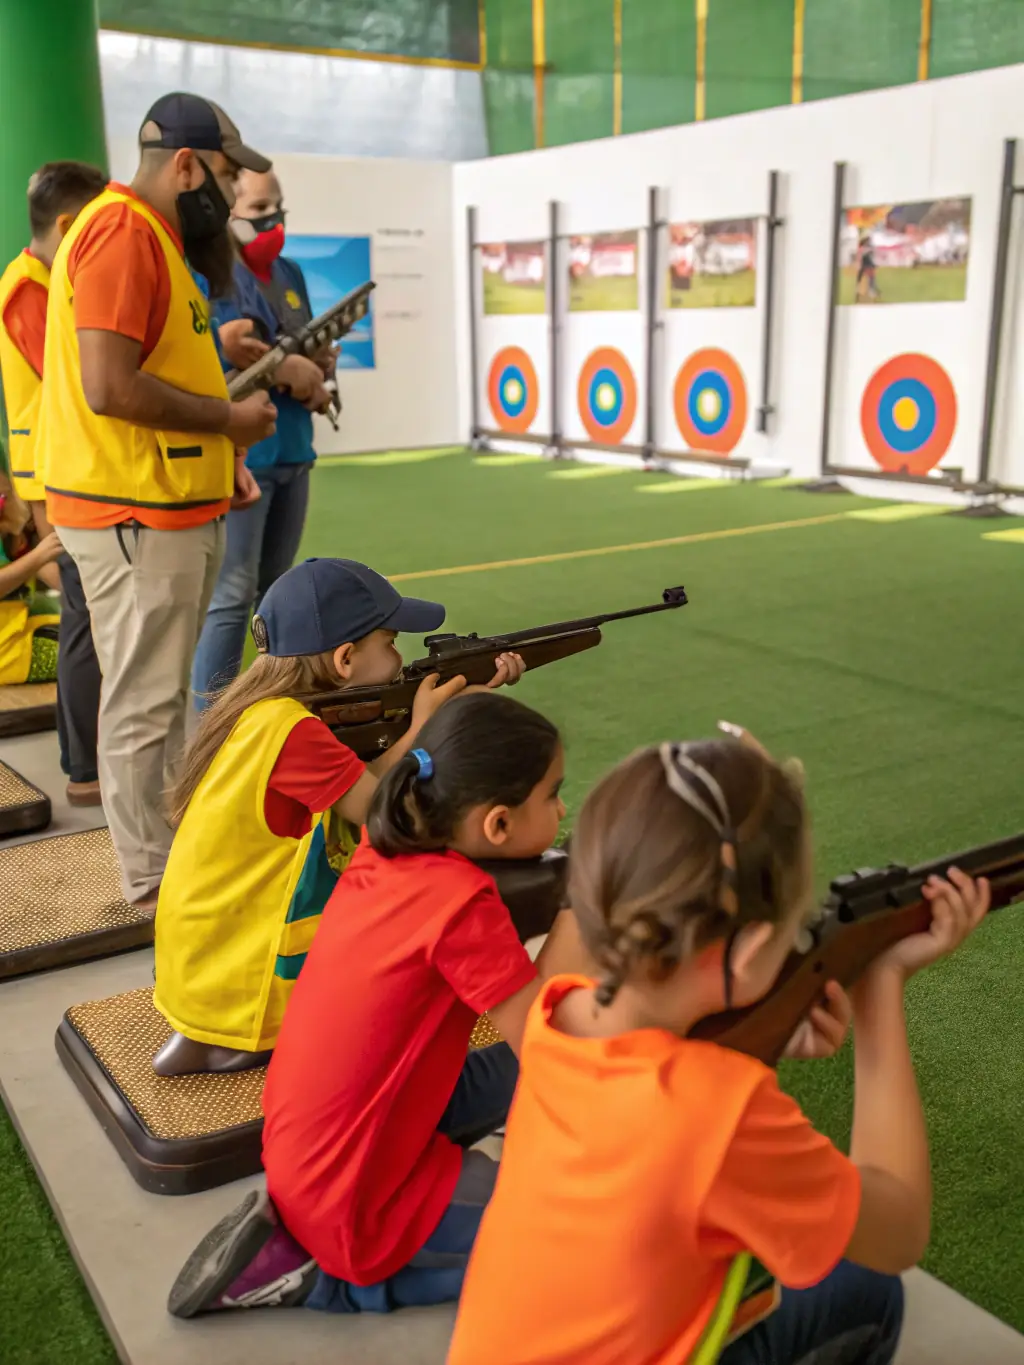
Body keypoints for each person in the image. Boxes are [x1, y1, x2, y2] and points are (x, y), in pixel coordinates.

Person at [444, 726, 990, 1365]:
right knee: (869, 1291)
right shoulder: (719, 1111)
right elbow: (898, 1231)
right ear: (755, 951)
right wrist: (879, 986)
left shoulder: (555, 1011)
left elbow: (647, 1097)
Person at [166, 690, 588, 1319]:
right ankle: (314, 1277)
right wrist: (582, 906)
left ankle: (305, 1229)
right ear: (496, 825)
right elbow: (551, 1045)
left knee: (505, 1078)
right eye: (553, 795)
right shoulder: (459, 902)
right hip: (355, 1203)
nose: (561, 807)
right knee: (587, 1239)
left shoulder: (384, 846)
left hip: (315, 1148)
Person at [37, 92, 278, 909]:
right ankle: (150, 878)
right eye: (220, 171)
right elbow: (110, 386)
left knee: (158, 695)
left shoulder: (151, 239)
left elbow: (155, 371)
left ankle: (162, 855)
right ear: (184, 164)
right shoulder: (122, 232)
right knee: (144, 703)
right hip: (135, 512)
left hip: (157, 502)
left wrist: (218, 455)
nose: (226, 189)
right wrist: (232, 419)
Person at [152, 557, 525, 1077]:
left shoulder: (263, 715)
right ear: (345, 658)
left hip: (208, 968)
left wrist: (429, 722)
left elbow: (362, 785)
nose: (401, 660)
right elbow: (392, 818)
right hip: (249, 987)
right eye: (391, 643)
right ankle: (253, 1037)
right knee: (439, 876)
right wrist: (434, 728)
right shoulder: (296, 734)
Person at [192, 166, 334, 705]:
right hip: (243, 458)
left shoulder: (290, 273)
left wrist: (318, 368)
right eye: (257, 209)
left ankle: (269, 713)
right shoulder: (208, 276)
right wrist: (282, 368)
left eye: (278, 206)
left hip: (294, 448)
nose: (272, 219)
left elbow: (302, 346)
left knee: (278, 595)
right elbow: (203, 367)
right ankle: (212, 724)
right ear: (227, 208)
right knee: (230, 595)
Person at [0, 159, 107, 803]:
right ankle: (85, 767)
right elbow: (79, 373)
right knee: (84, 616)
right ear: (68, 225)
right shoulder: (30, 291)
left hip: (55, 467)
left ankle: (84, 759)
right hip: (54, 472)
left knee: (81, 613)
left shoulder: (38, 284)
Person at [0, 474, 61, 684]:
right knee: (89, 655)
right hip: (10, 654)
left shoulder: (15, 535)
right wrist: (37, 557)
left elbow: (59, 581)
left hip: (18, 633)